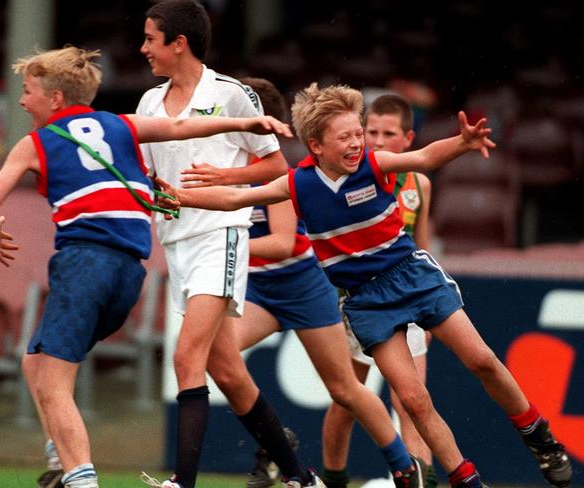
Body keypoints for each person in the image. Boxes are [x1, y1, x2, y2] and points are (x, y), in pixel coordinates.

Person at [155, 83, 573, 488]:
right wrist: (181, 198)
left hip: (411, 275)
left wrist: (461, 143)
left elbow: (426, 157)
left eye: (359, 133)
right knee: (410, 399)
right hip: (367, 302)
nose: (358, 143)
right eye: (347, 137)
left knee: (481, 359)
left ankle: (538, 435)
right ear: (317, 146)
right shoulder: (298, 184)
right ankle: (467, 480)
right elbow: (234, 200)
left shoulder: (375, 164)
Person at [0, 45, 292, 488]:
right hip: (130, 274)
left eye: (27, 91)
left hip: (85, 263)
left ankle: (78, 475)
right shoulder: (121, 123)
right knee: (35, 360)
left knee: (53, 382)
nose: (22, 100)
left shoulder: (34, 143)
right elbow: (180, 127)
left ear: (56, 98)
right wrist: (242, 122)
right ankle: (61, 456)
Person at [203, 78, 431, 488]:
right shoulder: (223, 161)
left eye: (229, 113)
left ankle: (404, 466)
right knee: (215, 358)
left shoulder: (282, 169)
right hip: (257, 290)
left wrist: (221, 253)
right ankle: (277, 446)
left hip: (305, 287)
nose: (220, 120)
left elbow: (283, 241)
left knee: (347, 392)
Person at [135, 2, 324, 488]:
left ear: (179, 43)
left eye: (151, 39)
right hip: (175, 243)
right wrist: (153, 191)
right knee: (228, 372)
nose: (143, 49)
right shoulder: (149, 104)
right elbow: (154, 178)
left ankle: (182, 482)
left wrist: (224, 178)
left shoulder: (233, 95)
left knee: (185, 357)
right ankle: (301, 478)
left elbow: (276, 169)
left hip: (220, 236)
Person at [320, 94, 435, 488]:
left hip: (408, 295)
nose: (380, 141)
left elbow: (421, 246)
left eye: (389, 133)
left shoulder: (418, 182)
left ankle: (421, 481)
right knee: (347, 399)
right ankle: (334, 478)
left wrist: (430, 309)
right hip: (358, 301)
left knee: (412, 401)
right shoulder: (348, 177)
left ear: (408, 139)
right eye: (373, 133)